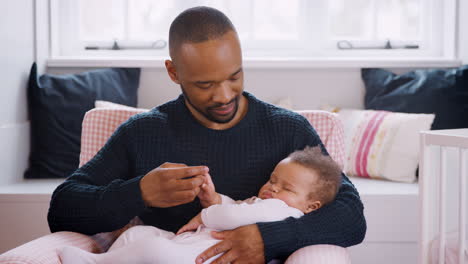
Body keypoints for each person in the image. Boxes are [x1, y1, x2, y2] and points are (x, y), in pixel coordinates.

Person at [48, 6, 366, 263]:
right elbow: (63, 209)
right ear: (174, 72)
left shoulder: (288, 129)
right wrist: (138, 192)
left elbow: (350, 215)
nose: (225, 95)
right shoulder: (143, 132)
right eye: (205, 85)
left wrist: (266, 240)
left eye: (234, 76)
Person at [58, 146, 343, 264]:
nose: (273, 188)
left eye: (287, 188)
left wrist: (209, 211)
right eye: (272, 180)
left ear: (312, 206)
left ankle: (96, 262)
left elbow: (230, 216)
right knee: (138, 235)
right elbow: (238, 208)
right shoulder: (267, 202)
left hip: (200, 258)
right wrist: (214, 199)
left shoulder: (284, 211)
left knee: (154, 249)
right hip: (186, 244)